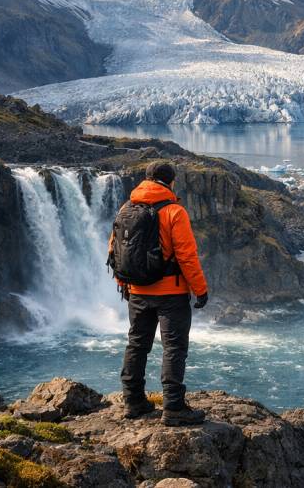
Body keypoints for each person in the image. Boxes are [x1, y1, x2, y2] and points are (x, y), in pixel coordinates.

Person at [108, 161, 209, 426]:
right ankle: (173, 407)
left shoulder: (126, 208)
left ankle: (133, 401)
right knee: (174, 348)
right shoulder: (174, 211)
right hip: (171, 293)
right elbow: (187, 256)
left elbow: (115, 250)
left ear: (146, 179)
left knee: (137, 344)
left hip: (137, 291)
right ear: (171, 182)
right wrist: (200, 290)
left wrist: (123, 284)